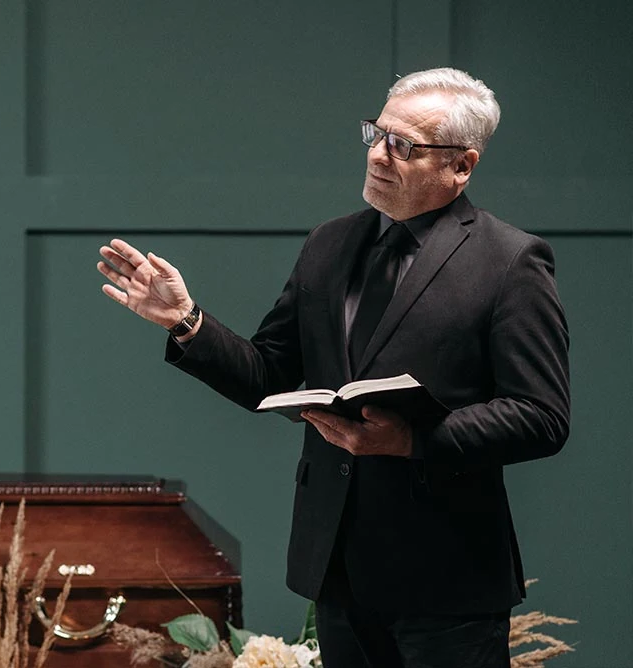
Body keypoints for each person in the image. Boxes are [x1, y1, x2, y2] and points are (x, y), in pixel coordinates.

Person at [96, 68, 569, 667]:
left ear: (461, 166)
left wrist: (414, 439)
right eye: (377, 133)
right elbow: (268, 377)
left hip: (448, 579)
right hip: (338, 569)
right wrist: (186, 320)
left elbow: (542, 416)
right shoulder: (329, 243)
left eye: (405, 146)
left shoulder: (511, 260)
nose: (378, 154)